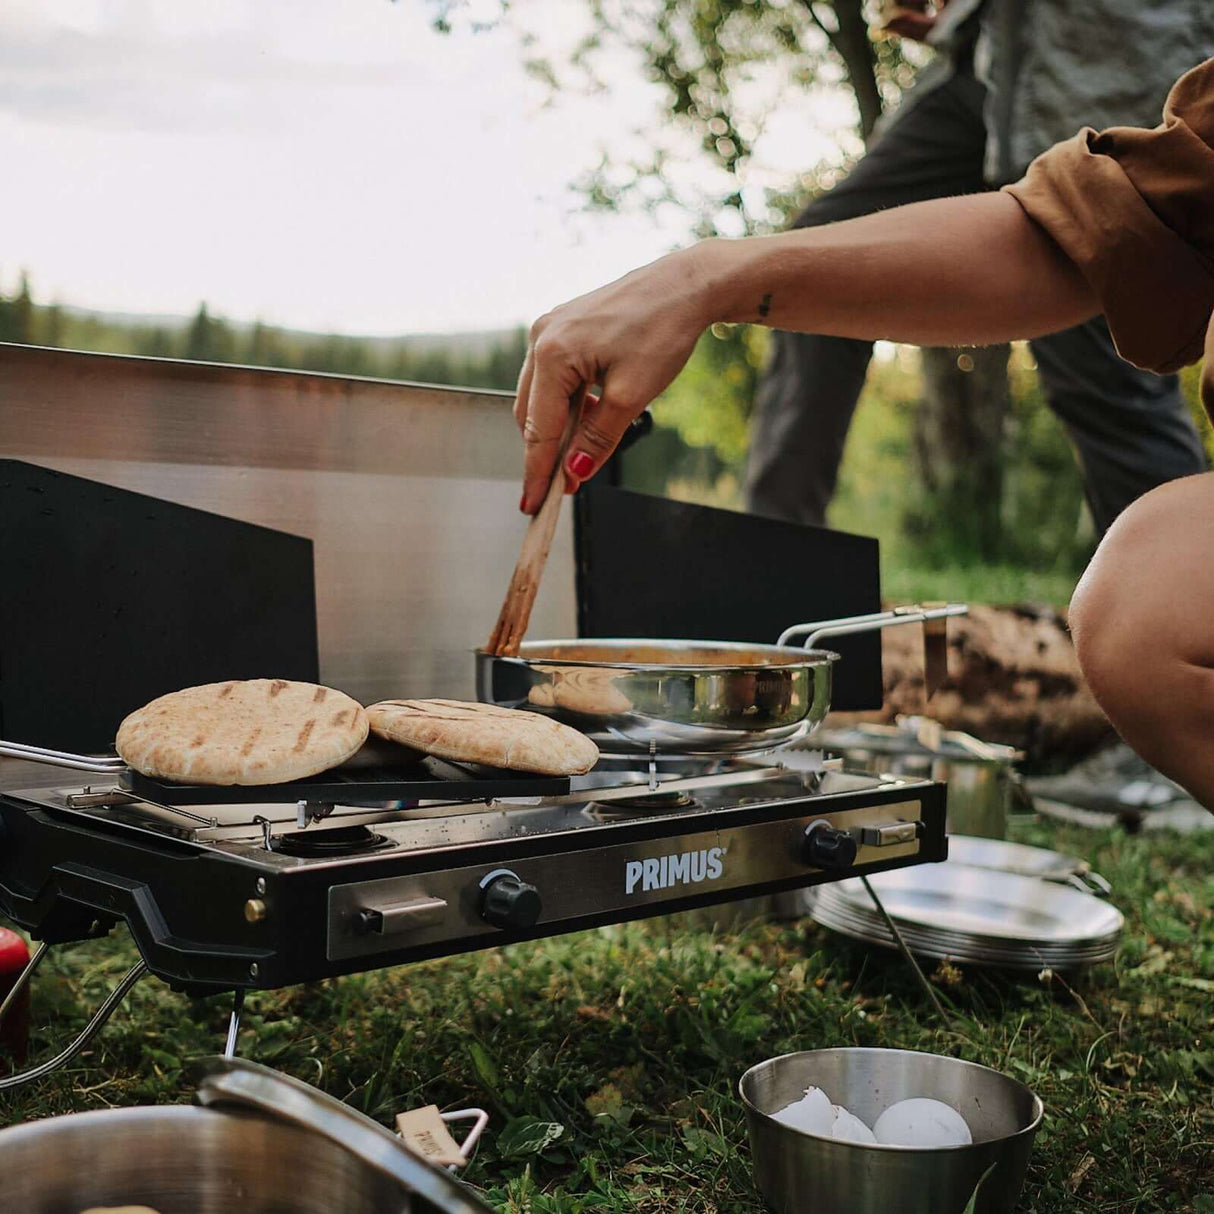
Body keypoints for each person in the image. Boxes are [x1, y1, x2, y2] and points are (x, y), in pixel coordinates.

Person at [513, 59, 1214, 811]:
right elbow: (1074, 238)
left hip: (1094, 42)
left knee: (1120, 480)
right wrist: (699, 280)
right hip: (1003, 45)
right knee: (1146, 604)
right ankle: (760, 626)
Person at [747, 0, 1211, 537]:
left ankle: (1181, 595)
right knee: (812, 261)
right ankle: (773, 564)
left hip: (1111, 71)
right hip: (992, 63)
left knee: (1102, 367)